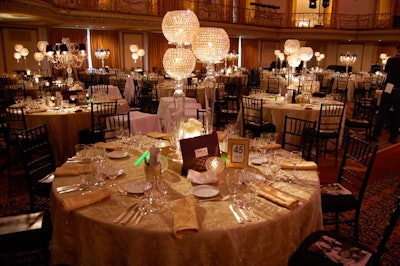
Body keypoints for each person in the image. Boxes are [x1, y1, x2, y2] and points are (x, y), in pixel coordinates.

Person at [372, 44, 400, 143]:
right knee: (397, 115)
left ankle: (376, 133)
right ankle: (393, 136)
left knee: (383, 112)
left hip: (389, 86)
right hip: (399, 89)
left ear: (397, 50)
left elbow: (386, 72)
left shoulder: (391, 60)